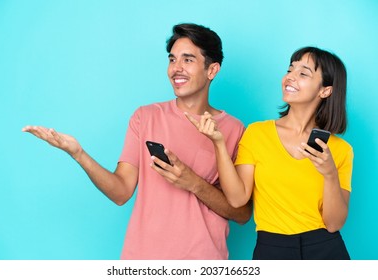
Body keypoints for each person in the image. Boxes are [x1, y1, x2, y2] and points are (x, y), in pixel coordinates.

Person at [22, 23, 251, 260]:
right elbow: (121, 192)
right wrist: (78, 154)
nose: (176, 69)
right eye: (172, 60)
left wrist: (193, 182)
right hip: (142, 259)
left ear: (212, 70)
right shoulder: (145, 117)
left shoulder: (234, 130)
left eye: (188, 60)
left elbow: (242, 214)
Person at [187, 46, 353, 260]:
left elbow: (334, 223)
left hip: (325, 249)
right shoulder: (257, 133)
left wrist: (330, 173)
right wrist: (218, 143)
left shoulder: (341, 150)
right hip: (272, 248)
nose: (290, 77)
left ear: (325, 90)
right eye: (290, 70)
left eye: (303, 73)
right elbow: (238, 199)